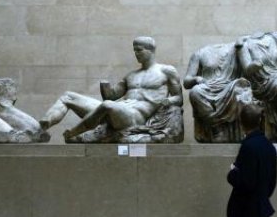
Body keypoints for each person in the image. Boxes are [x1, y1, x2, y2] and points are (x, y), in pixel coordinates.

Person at [40, 37, 183, 141]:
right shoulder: (131, 75)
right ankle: (41, 127)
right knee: (68, 96)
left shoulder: (166, 71)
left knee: (107, 106)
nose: (136, 54)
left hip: (136, 117)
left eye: (139, 50)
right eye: (134, 50)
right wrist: (104, 85)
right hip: (116, 110)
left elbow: (179, 98)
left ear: (151, 50)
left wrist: (168, 101)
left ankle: (73, 133)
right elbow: (111, 96)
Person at [183, 41, 255, 143]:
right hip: (208, 88)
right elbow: (186, 81)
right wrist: (196, 79)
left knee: (239, 89)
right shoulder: (199, 53)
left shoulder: (237, 49)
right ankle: (216, 126)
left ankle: (241, 132)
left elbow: (248, 71)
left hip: (229, 86)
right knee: (195, 92)